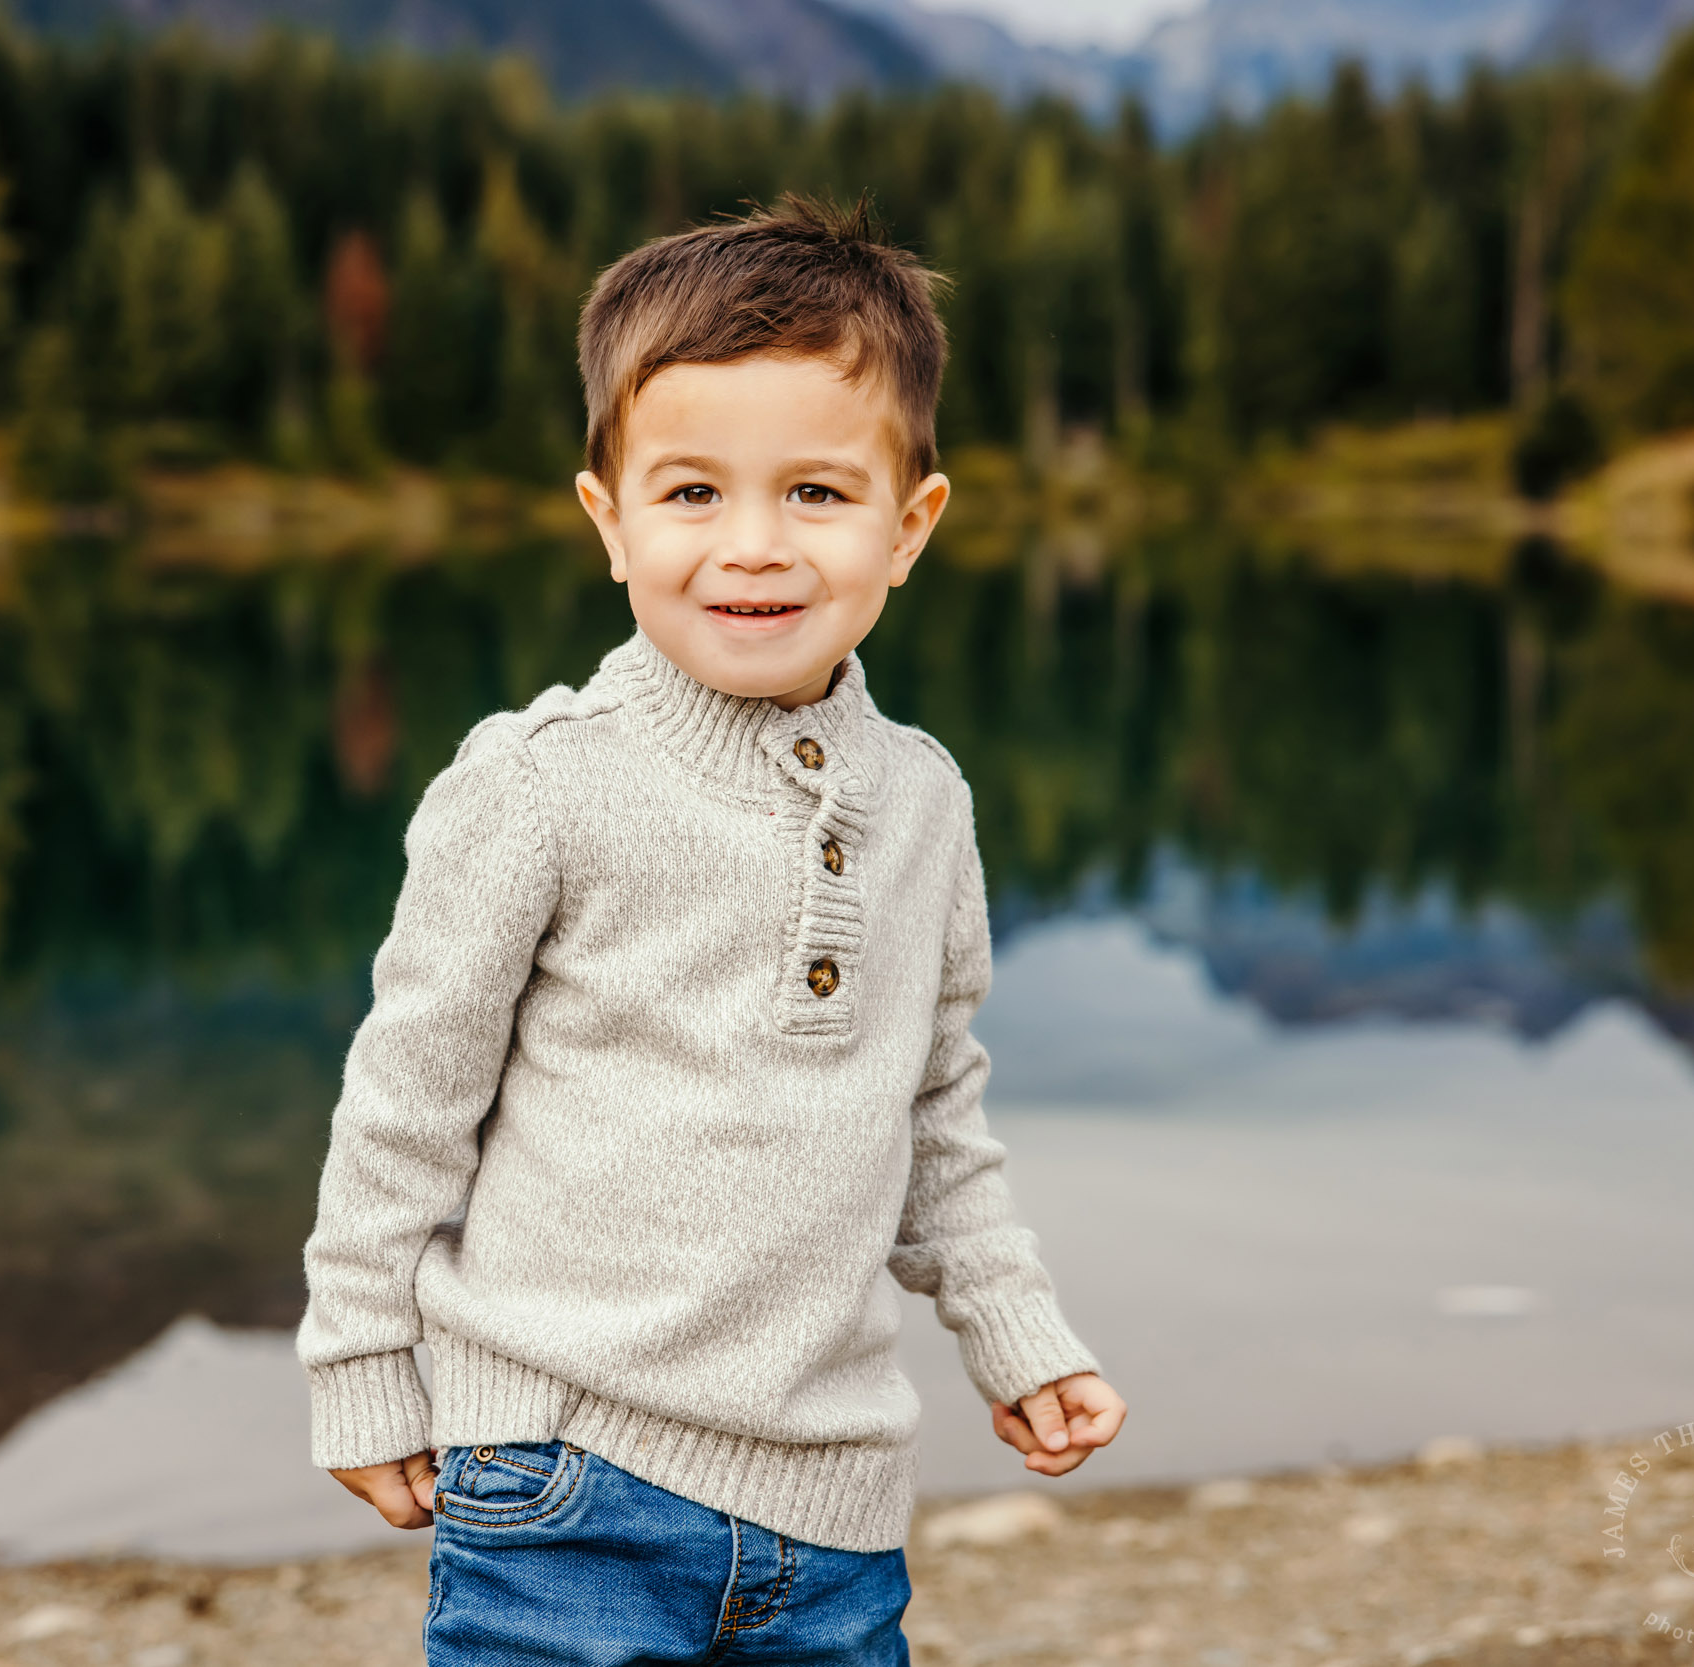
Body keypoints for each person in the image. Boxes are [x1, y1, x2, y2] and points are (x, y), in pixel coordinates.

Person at [297, 193, 1127, 1665]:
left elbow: (933, 1105)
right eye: (691, 495)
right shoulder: (539, 785)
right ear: (610, 523)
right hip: (562, 1487)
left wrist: (1015, 1328)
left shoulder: (925, 800)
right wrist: (363, 1363)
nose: (753, 547)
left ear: (910, 527)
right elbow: (406, 1105)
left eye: (816, 493)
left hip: (838, 1506)